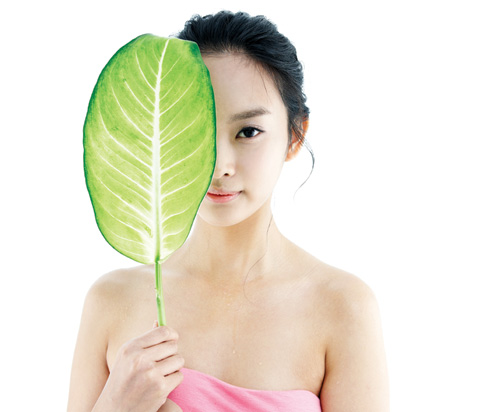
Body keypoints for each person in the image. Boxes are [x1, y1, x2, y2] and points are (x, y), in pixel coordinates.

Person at [67, 11, 389, 412]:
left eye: (248, 132)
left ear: (295, 135)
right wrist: (116, 405)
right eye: (198, 130)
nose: (219, 166)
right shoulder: (111, 300)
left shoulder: (343, 307)